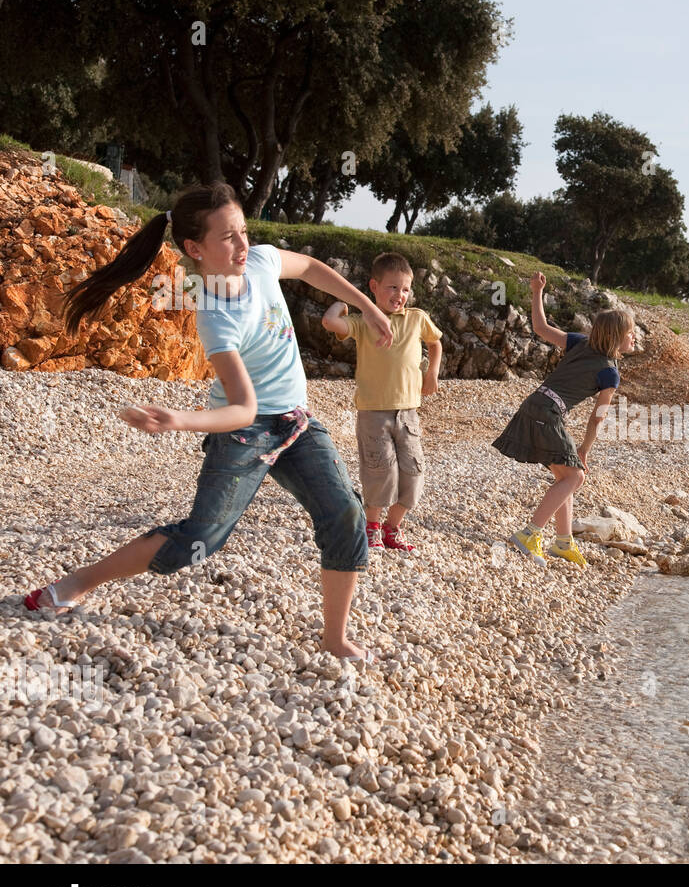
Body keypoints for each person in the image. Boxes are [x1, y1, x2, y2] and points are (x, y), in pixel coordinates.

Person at [23, 183, 393, 661]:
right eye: (227, 238)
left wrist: (365, 304)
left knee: (344, 512)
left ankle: (335, 638)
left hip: (297, 423)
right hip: (244, 430)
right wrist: (179, 419)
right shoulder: (216, 315)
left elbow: (312, 269)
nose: (242, 246)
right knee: (199, 538)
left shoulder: (258, 262)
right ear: (195, 249)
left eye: (243, 231)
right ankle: (75, 583)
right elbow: (241, 408)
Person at [492, 271, 635, 567]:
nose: (634, 337)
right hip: (547, 413)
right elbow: (597, 418)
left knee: (565, 477)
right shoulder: (610, 372)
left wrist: (536, 292)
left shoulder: (580, 343)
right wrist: (584, 450)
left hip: (537, 405)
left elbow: (540, 327)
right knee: (575, 475)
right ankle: (530, 533)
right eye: (631, 332)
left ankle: (563, 542)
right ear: (617, 337)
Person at [322, 251, 443, 552]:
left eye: (405, 289)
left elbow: (435, 342)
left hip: (408, 413)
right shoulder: (364, 322)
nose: (399, 295)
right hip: (373, 414)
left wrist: (432, 375)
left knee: (414, 474)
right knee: (380, 473)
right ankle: (372, 527)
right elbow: (329, 321)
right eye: (392, 287)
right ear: (374, 287)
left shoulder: (417, 318)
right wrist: (343, 303)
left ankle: (393, 528)